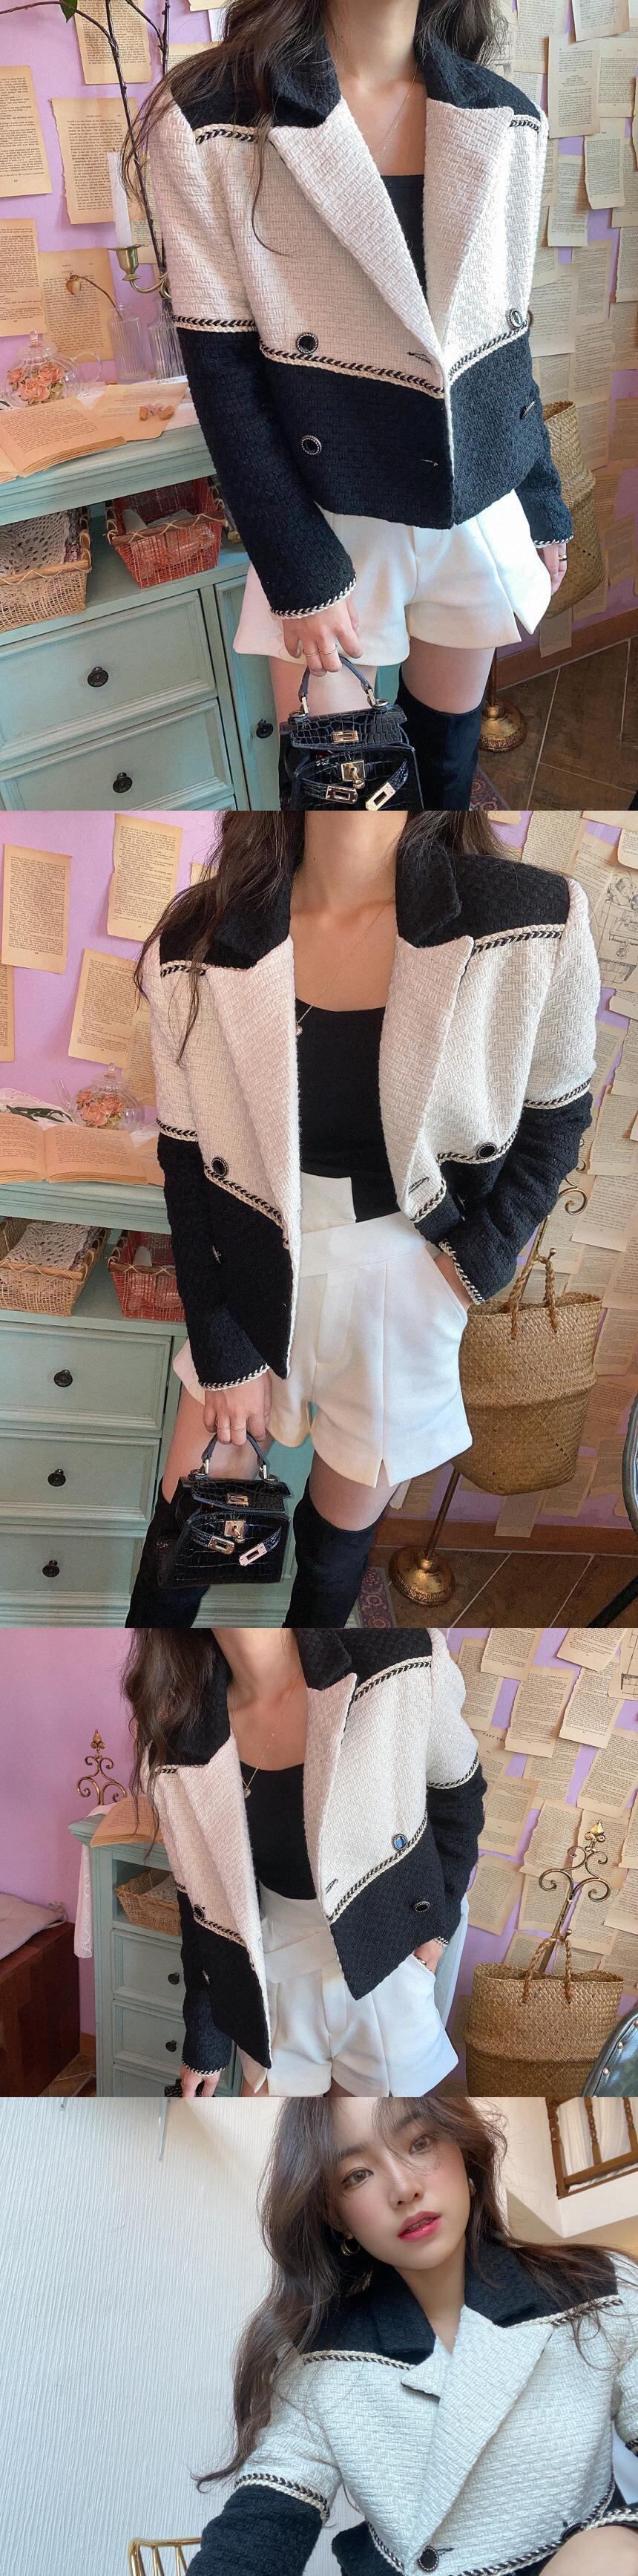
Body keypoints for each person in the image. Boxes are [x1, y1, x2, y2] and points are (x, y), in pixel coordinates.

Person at [126, 808, 599, 1629]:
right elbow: (186, 1161)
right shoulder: (199, 935)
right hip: (249, 1265)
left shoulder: (532, 918)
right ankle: (172, 1701)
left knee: (333, 1559)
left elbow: (555, 1119)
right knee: (185, 1539)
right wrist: (223, 1349)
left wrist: (474, 1263)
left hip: (408, 1277)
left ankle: (309, 1691)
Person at [129, 0, 570, 808]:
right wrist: (298, 569)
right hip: (326, 519)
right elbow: (224, 373)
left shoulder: (505, 115)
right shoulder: (212, 120)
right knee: (337, 795)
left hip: (476, 509)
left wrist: (540, 500)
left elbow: (506, 342)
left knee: (446, 774)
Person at [182, 2091, 638, 2574]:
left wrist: (612, 2542)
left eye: (420, 2142)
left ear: (464, 2151)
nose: (403, 2188)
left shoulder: (598, 2290)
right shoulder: (321, 2361)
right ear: (337, 2217)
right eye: (357, 2175)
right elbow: (259, 2527)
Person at [125, 1623, 484, 2098]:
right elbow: (201, 1905)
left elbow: (459, 1798)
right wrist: (206, 2037)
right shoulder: (177, 1732)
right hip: (270, 1979)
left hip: (386, 1972)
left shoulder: (400, 1661)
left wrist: (438, 1925)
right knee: (266, 2142)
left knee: (373, 2140)